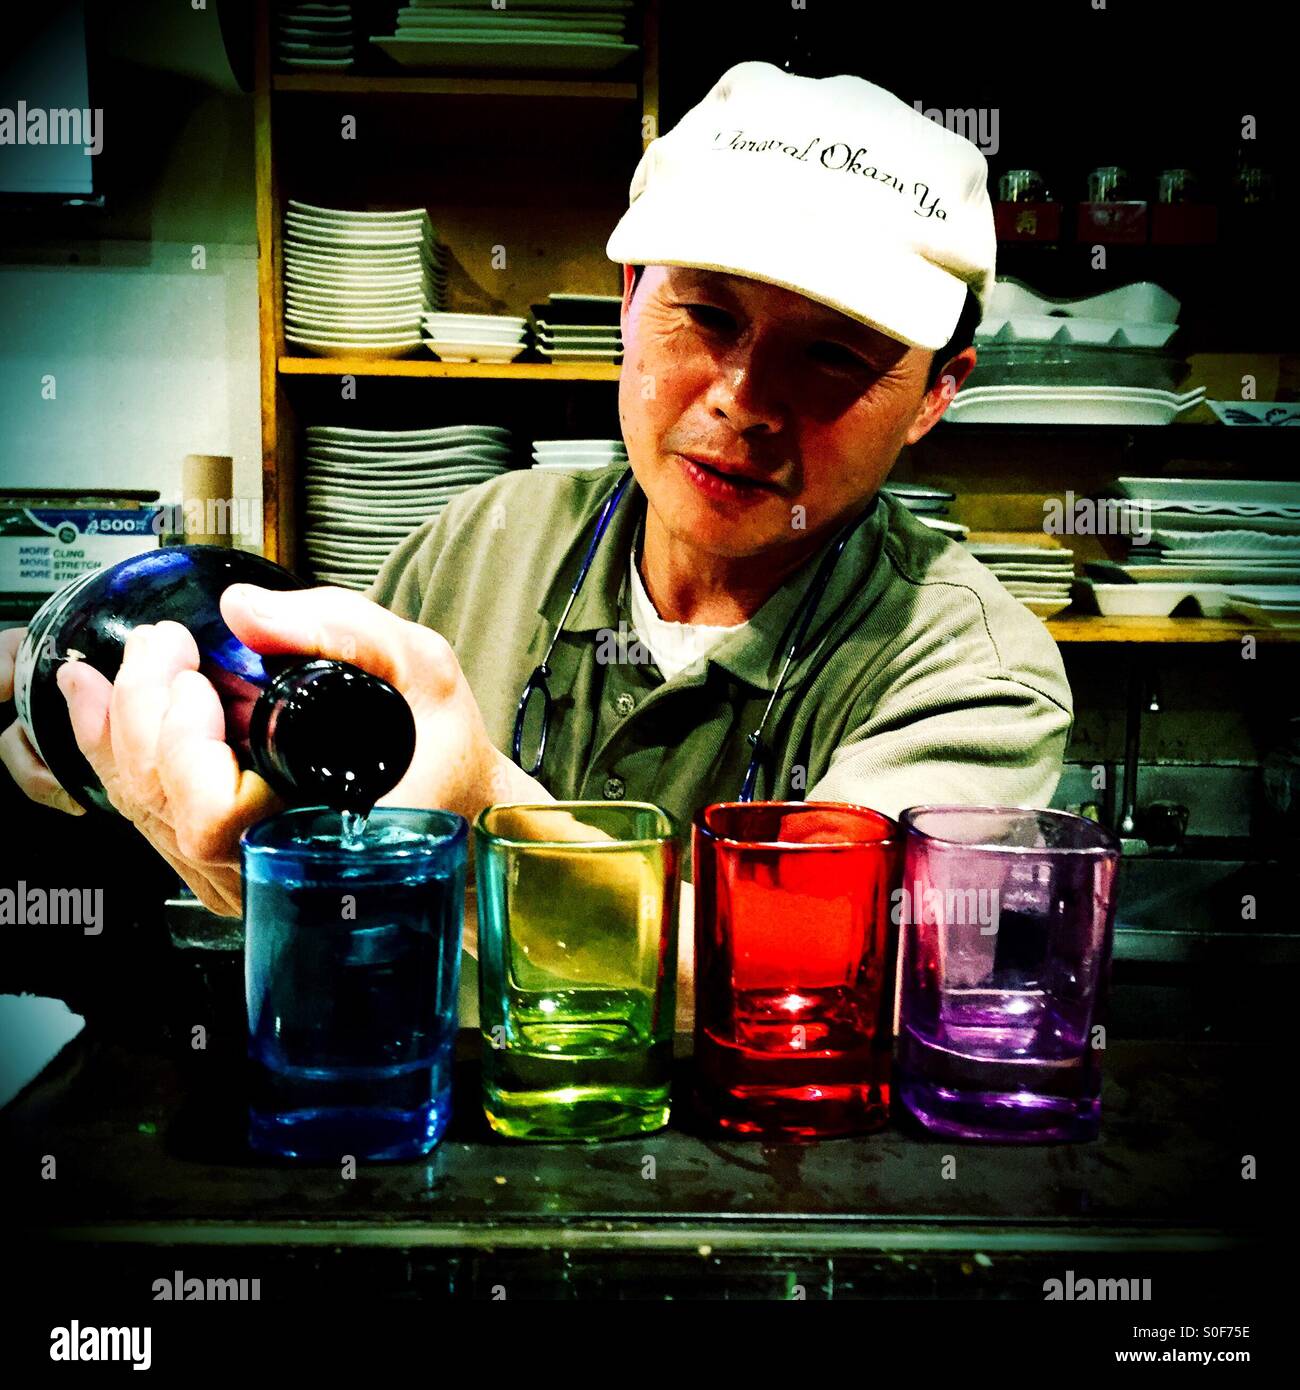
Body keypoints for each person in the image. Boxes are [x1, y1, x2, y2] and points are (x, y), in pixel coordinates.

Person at [0, 64, 1071, 1013]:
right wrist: (128, 769)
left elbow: (807, 973)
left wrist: (478, 816)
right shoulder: (476, 541)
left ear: (935, 395)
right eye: (705, 316)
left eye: (834, 356)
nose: (744, 401)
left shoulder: (974, 667)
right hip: (449, 1146)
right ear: (626, 303)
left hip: (766, 1185)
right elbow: (322, 862)